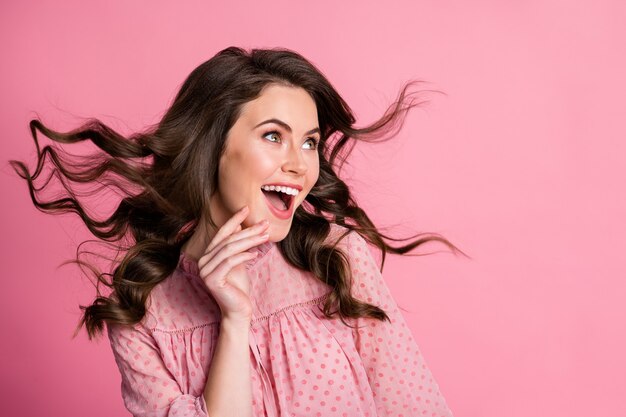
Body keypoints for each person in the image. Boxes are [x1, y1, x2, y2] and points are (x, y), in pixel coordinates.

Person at [11, 46, 465, 417]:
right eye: (273, 136)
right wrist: (234, 319)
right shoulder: (143, 314)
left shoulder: (336, 257)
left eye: (309, 142)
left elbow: (414, 405)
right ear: (213, 147)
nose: (300, 163)